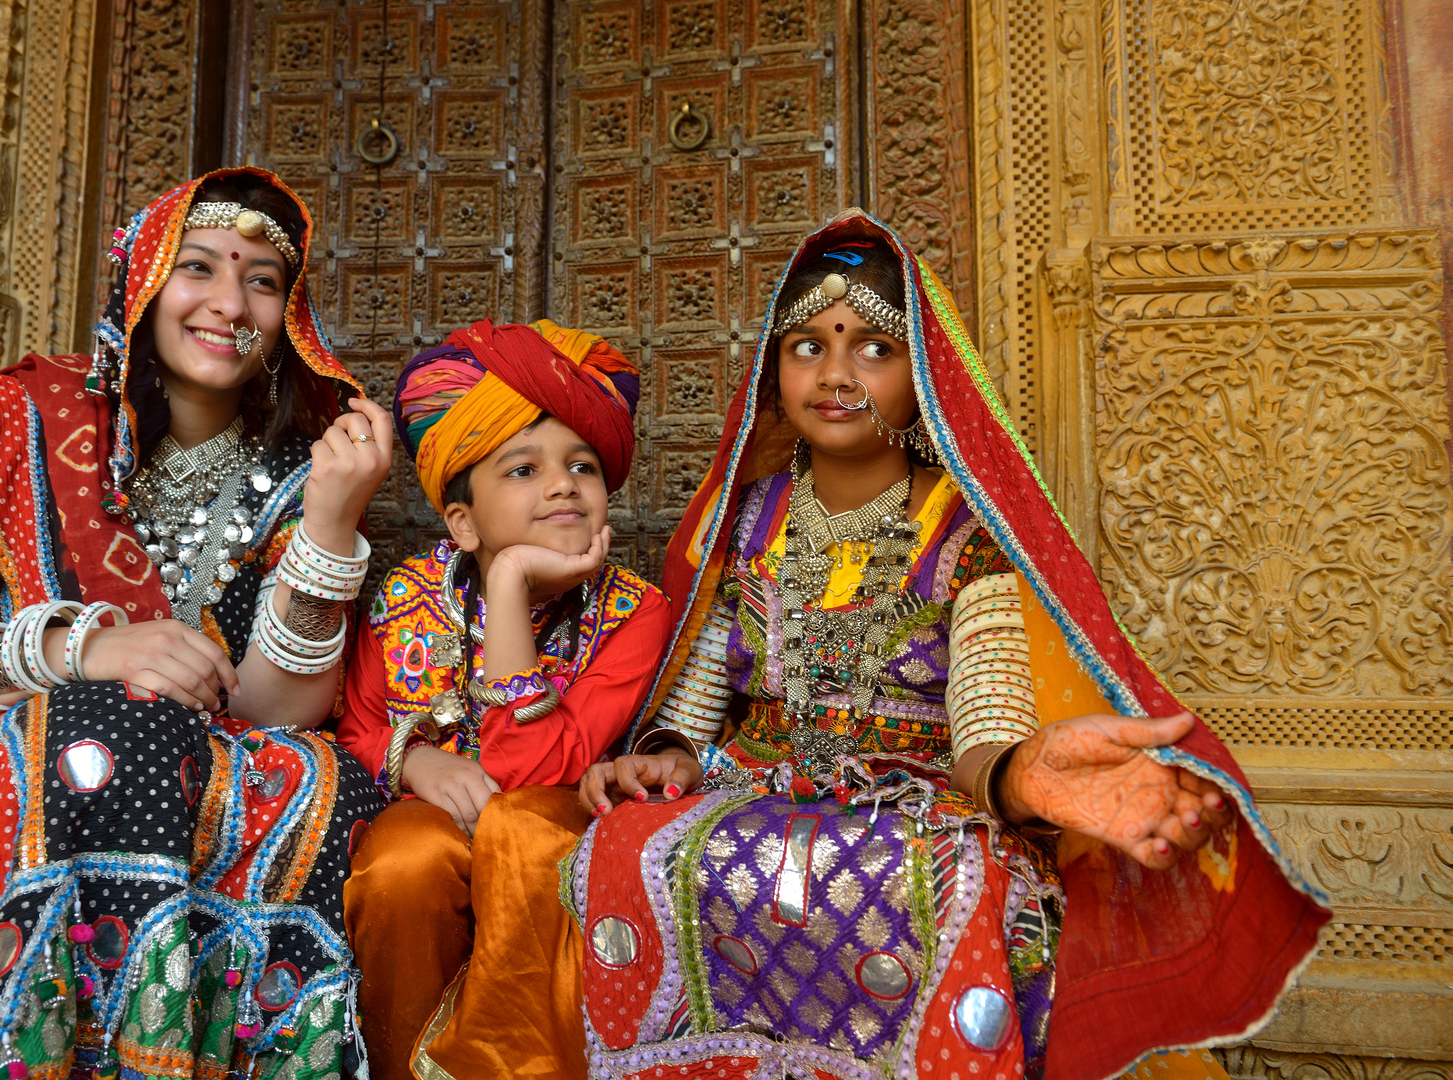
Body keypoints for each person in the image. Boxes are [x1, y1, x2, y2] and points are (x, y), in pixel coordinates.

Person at [564, 211, 1330, 1080]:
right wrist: (663, 756)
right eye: (808, 346)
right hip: (757, 785)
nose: (838, 373)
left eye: (875, 349)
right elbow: (696, 702)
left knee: (967, 883)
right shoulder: (745, 520)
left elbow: (985, 724)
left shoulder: (968, 530)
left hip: (915, 800)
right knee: (623, 847)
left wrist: (1022, 777)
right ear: (773, 375)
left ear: (922, 374)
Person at [0, 168, 390, 1080]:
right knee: (95, 729)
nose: (229, 302)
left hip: (215, 789)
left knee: (322, 795)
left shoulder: (309, 469)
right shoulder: (13, 424)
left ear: (288, 318)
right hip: (22, 769)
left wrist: (331, 523)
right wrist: (82, 650)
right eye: (199, 267)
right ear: (142, 281)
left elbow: (273, 711)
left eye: (262, 281)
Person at [336, 320, 671, 1080]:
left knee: (525, 837)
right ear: (460, 521)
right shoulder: (402, 595)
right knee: (403, 863)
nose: (562, 484)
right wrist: (415, 761)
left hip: (555, 816)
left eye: (583, 465)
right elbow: (354, 723)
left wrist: (511, 582)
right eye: (522, 470)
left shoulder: (636, 611)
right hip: (436, 815)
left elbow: (530, 771)